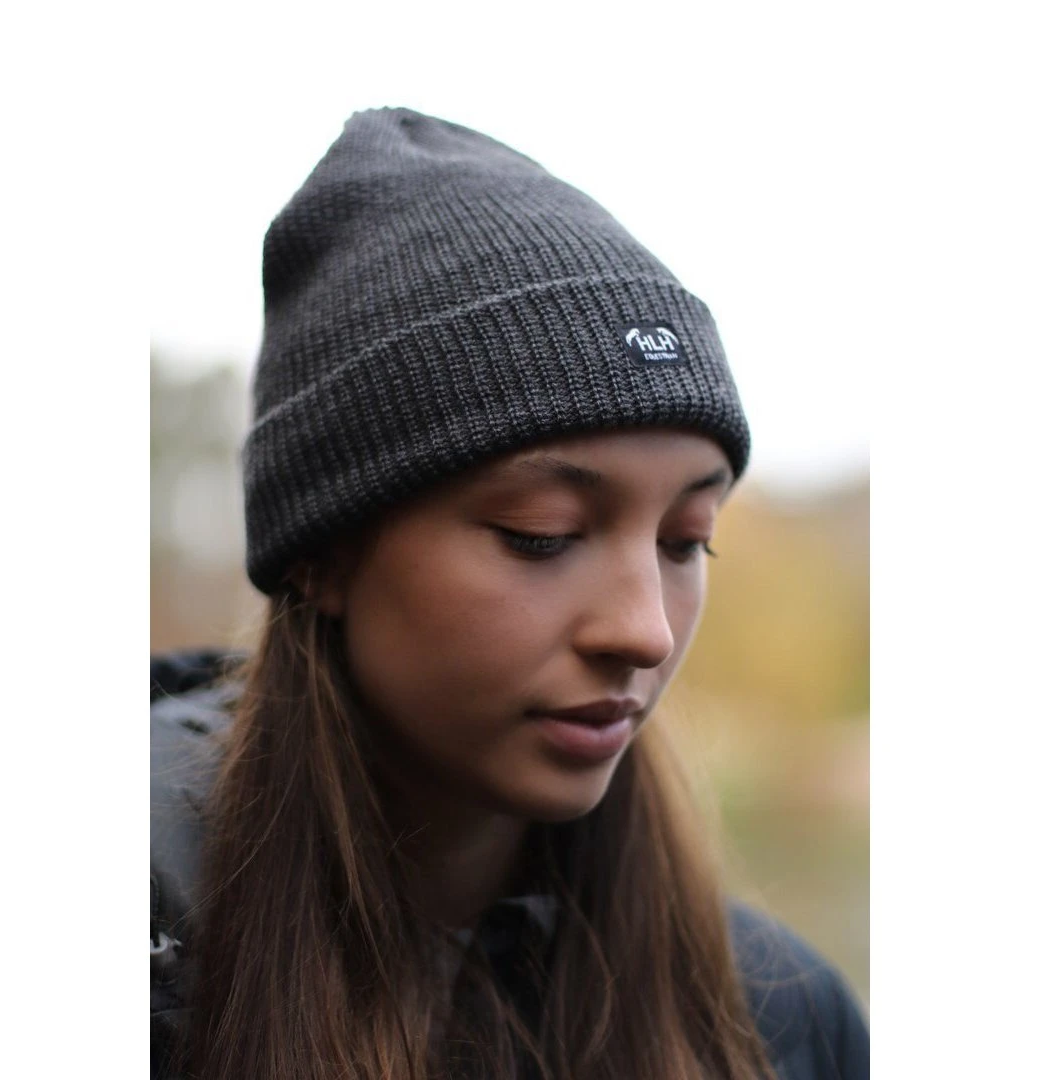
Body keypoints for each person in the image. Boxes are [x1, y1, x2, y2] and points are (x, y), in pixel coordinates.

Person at [150, 107, 869, 1080]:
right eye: (543, 534)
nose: (646, 632)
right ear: (322, 556)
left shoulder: (783, 1026)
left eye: (685, 540)